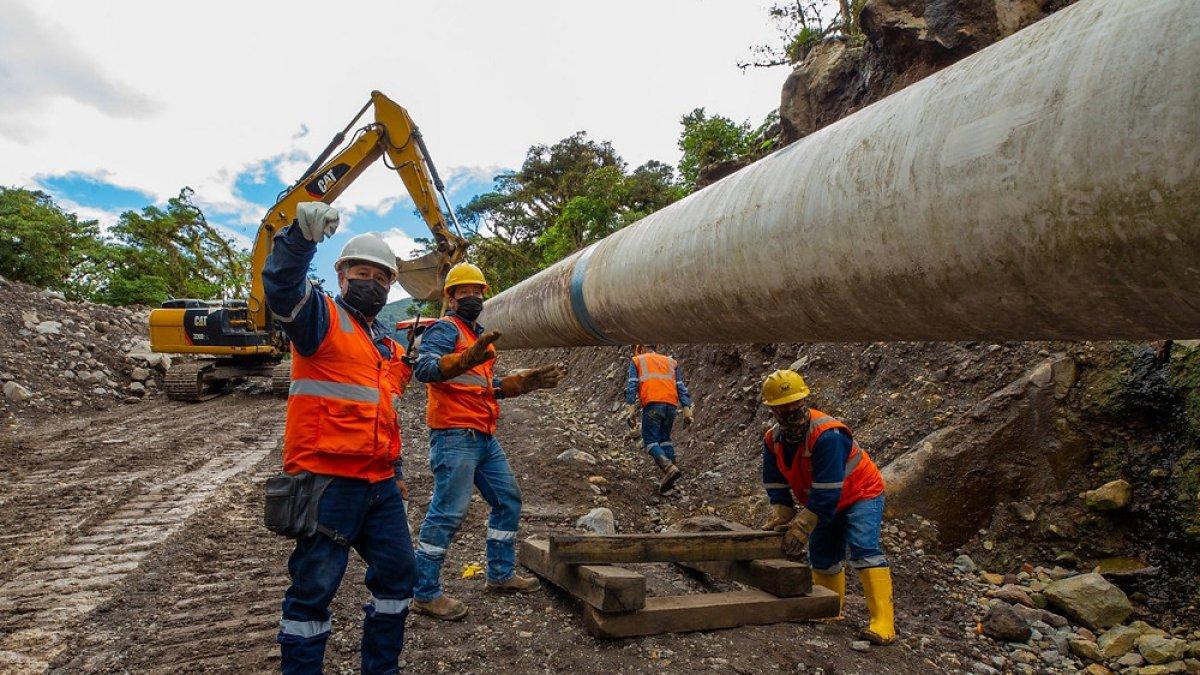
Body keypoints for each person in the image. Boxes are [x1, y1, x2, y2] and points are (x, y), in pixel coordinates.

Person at [262, 202, 416, 673]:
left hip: (379, 485)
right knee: (313, 592)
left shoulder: (384, 344)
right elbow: (282, 287)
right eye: (361, 271)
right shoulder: (321, 321)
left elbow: (384, 413)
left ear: (390, 286)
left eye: (381, 276)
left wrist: (398, 471)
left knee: (398, 576)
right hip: (327, 483)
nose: (372, 281)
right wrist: (298, 239)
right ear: (342, 276)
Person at [410, 262, 566, 621]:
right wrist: (463, 359)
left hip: (482, 435)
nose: (473, 297)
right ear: (450, 297)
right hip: (454, 434)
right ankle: (425, 592)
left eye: (478, 291)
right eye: (464, 291)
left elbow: (482, 388)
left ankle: (499, 575)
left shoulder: (476, 335)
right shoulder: (445, 329)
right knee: (448, 511)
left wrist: (520, 383)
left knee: (507, 500)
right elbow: (424, 368)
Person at [758, 369, 895, 646]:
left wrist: (803, 525)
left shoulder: (828, 435)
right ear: (773, 411)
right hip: (823, 499)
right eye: (782, 409)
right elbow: (774, 480)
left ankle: (884, 623)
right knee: (822, 555)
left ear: (804, 402)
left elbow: (828, 489)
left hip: (860, 494)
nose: (789, 414)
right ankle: (829, 609)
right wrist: (783, 510)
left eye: (794, 407)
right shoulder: (773, 440)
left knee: (863, 548)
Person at [624, 344, 694, 493]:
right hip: (671, 406)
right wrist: (687, 410)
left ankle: (669, 468)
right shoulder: (671, 362)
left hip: (653, 404)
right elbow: (680, 386)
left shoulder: (637, 360)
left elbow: (632, 385)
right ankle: (672, 475)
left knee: (650, 440)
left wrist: (631, 410)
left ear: (641, 348)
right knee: (665, 439)